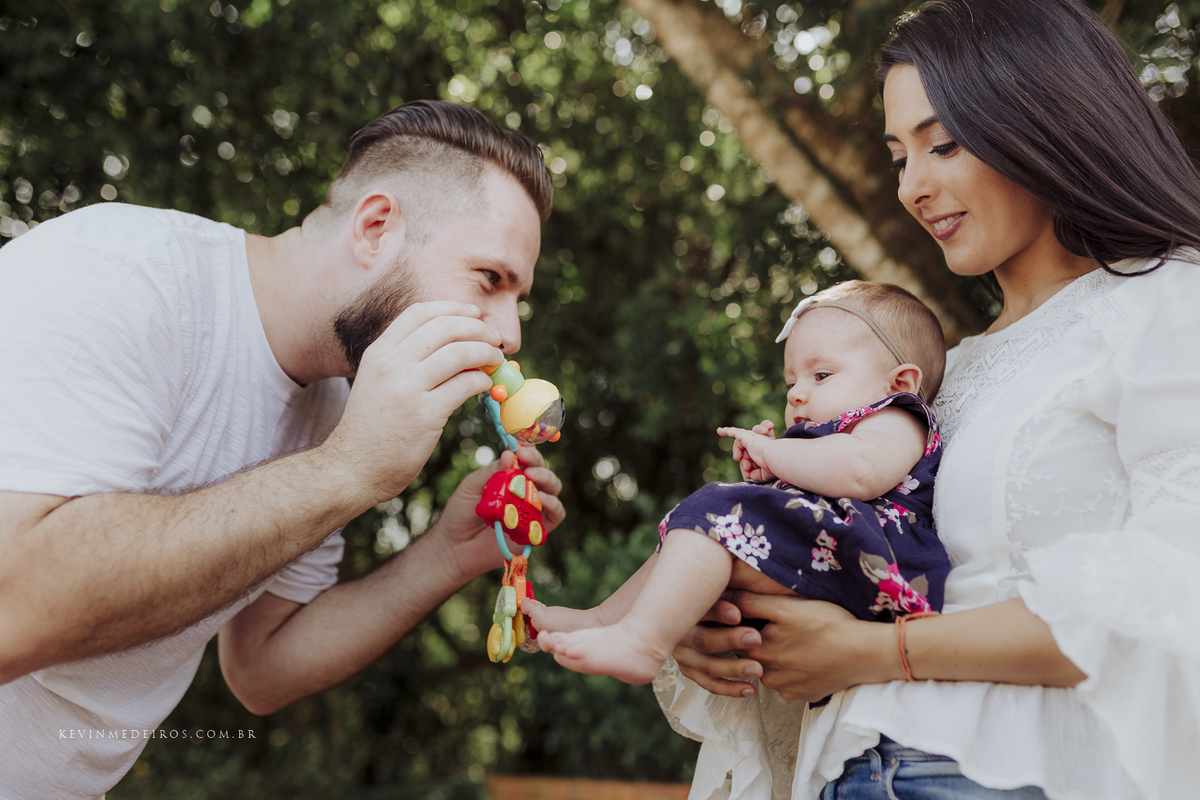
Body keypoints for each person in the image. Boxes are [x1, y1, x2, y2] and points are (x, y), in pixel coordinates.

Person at [658, 1, 1200, 799]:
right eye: (898, 157)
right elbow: (854, 561)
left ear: (1044, 122)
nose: (913, 187)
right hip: (848, 767)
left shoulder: (1169, 305)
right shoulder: (946, 376)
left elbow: (1174, 588)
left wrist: (879, 653)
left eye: (943, 144)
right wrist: (732, 628)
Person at [0, 100, 565, 799]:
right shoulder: (122, 277)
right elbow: (13, 604)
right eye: (489, 279)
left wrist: (445, 556)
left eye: (518, 299)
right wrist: (346, 471)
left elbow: (261, 670)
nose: (509, 333)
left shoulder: (333, 410)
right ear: (376, 228)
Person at [527, 281, 950, 685]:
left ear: (900, 382)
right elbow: (827, 473)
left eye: (820, 375)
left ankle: (642, 642)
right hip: (835, 544)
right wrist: (772, 474)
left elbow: (861, 470)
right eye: (791, 382)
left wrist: (775, 454)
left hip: (877, 559)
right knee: (692, 528)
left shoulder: (897, 416)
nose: (796, 394)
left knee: (714, 513)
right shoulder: (830, 431)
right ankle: (606, 619)